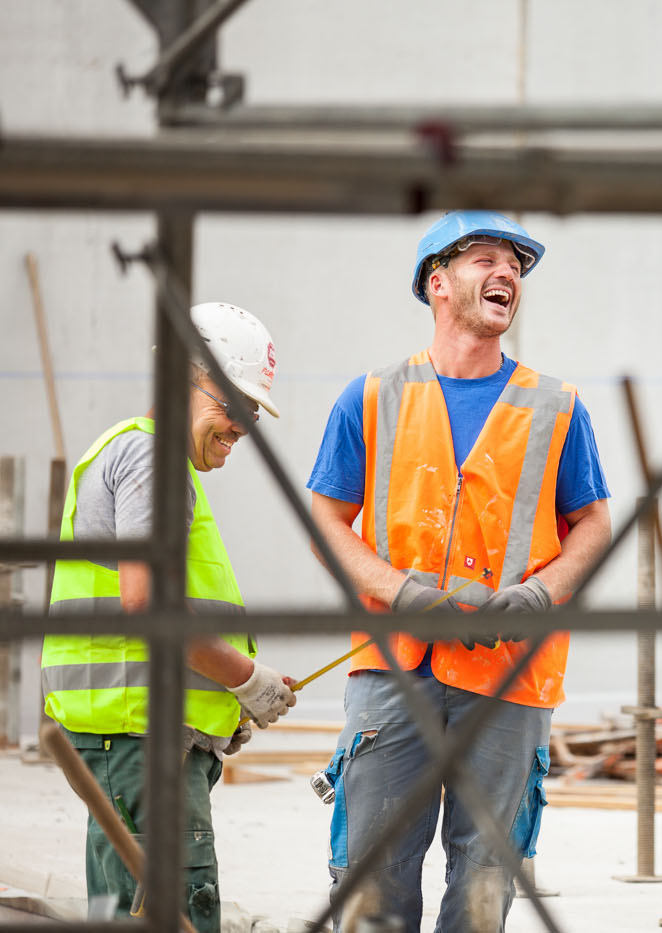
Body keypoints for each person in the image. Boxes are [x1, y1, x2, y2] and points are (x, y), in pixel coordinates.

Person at [307, 210, 611, 932]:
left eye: (515, 265)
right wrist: (401, 593)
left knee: (485, 878)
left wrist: (539, 594)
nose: (506, 273)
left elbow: (595, 525)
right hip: (393, 668)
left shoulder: (556, 406)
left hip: (509, 673)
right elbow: (324, 519)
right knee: (372, 875)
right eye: (485, 259)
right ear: (437, 283)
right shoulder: (372, 397)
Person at [41, 302, 297, 933]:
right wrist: (245, 679)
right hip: (142, 745)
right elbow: (149, 605)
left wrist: (220, 705)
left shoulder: (147, 460)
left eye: (253, 413)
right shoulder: (151, 460)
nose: (242, 427)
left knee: (122, 913)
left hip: (135, 743)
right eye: (232, 404)